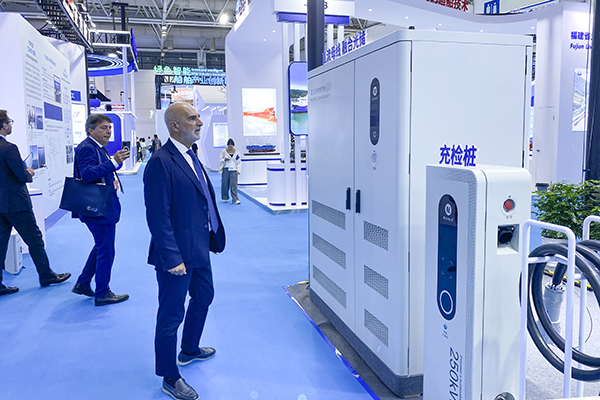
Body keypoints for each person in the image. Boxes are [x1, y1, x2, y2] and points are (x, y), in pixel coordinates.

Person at [144, 102, 225, 400]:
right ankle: (169, 376)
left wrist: (212, 237)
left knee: (204, 296)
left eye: (199, 117)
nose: (200, 122)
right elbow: (157, 216)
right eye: (193, 118)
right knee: (170, 315)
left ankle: (189, 349)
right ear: (175, 125)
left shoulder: (191, 156)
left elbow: (202, 201)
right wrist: (172, 258)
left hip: (199, 248)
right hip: (176, 255)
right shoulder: (160, 162)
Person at [0, 110, 70, 296]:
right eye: (9, 122)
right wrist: (29, 173)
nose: (11, 125)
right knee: (34, 239)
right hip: (16, 203)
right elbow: (21, 176)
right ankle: (46, 275)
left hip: (1, 203)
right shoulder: (9, 148)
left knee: (1, 241)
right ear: (4, 125)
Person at [71, 114, 130, 306]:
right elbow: (87, 174)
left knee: (101, 246)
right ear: (90, 129)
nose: (108, 131)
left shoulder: (98, 148)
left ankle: (83, 283)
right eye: (103, 127)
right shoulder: (88, 147)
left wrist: (115, 162)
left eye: (109, 127)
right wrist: (113, 162)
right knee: (106, 250)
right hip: (97, 209)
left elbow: (102, 171)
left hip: (102, 207)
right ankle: (102, 292)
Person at [219, 139, 242, 205]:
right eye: (229, 147)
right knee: (225, 184)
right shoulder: (223, 151)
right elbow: (220, 160)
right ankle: (225, 197)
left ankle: (235, 199)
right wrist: (224, 159)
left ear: (233, 146)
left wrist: (238, 170)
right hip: (226, 169)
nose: (230, 148)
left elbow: (239, 162)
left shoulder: (237, 152)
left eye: (231, 147)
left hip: (234, 169)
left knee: (234, 185)